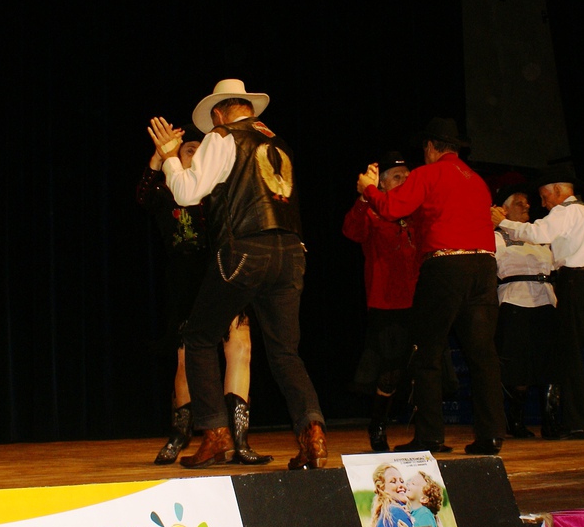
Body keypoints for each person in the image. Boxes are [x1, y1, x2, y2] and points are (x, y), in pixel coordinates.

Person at [147, 79, 326, 469]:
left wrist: (171, 157)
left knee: (198, 337)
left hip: (247, 250)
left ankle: (216, 435)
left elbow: (187, 193)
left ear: (217, 113)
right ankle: (312, 433)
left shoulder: (223, 136)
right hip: (291, 253)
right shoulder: (279, 143)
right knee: (285, 351)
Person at [356, 118, 506, 455]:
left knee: (428, 353)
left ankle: (430, 436)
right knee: (483, 354)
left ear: (430, 147)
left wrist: (369, 189)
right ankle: (491, 434)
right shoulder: (477, 180)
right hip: (484, 266)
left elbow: (392, 208)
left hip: (446, 267)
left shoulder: (429, 174)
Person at [137, 125, 270, 466]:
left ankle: (238, 440)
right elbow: (142, 195)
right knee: (187, 358)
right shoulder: (167, 192)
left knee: (240, 347)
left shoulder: (218, 188)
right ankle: (180, 434)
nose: (196, 153)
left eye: (201, 148)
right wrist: (160, 156)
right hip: (186, 279)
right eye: (188, 149)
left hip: (224, 270)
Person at [492, 169, 584, 439]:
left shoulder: (565, 212)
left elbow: (536, 233)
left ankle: (576, 423)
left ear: (559, 190)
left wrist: (502, 222)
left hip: (576, 283)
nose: (543, 203)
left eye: (544, 196)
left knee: (569, 353)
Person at [342, 150, 418, 452]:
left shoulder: (417, 211)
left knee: (424, 367)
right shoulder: (372, 212)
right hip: (388, 302)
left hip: (420, 299)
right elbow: (351, 230)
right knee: (390, 370)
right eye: (397, 177)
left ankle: (427, 430)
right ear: (382, 184)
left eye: (407, 176)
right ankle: (378, 423)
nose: (405, 181)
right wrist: (364, 196)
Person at [491, 183, 565, 438]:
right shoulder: (498, 237)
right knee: (517, 364)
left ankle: (552, 423)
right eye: (519, 203)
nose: (526, 206)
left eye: (526, 202)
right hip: (515, 302)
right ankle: (515, 422)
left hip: (546, 301)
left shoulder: (539, 235)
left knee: (551, 362)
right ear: (504, 210)